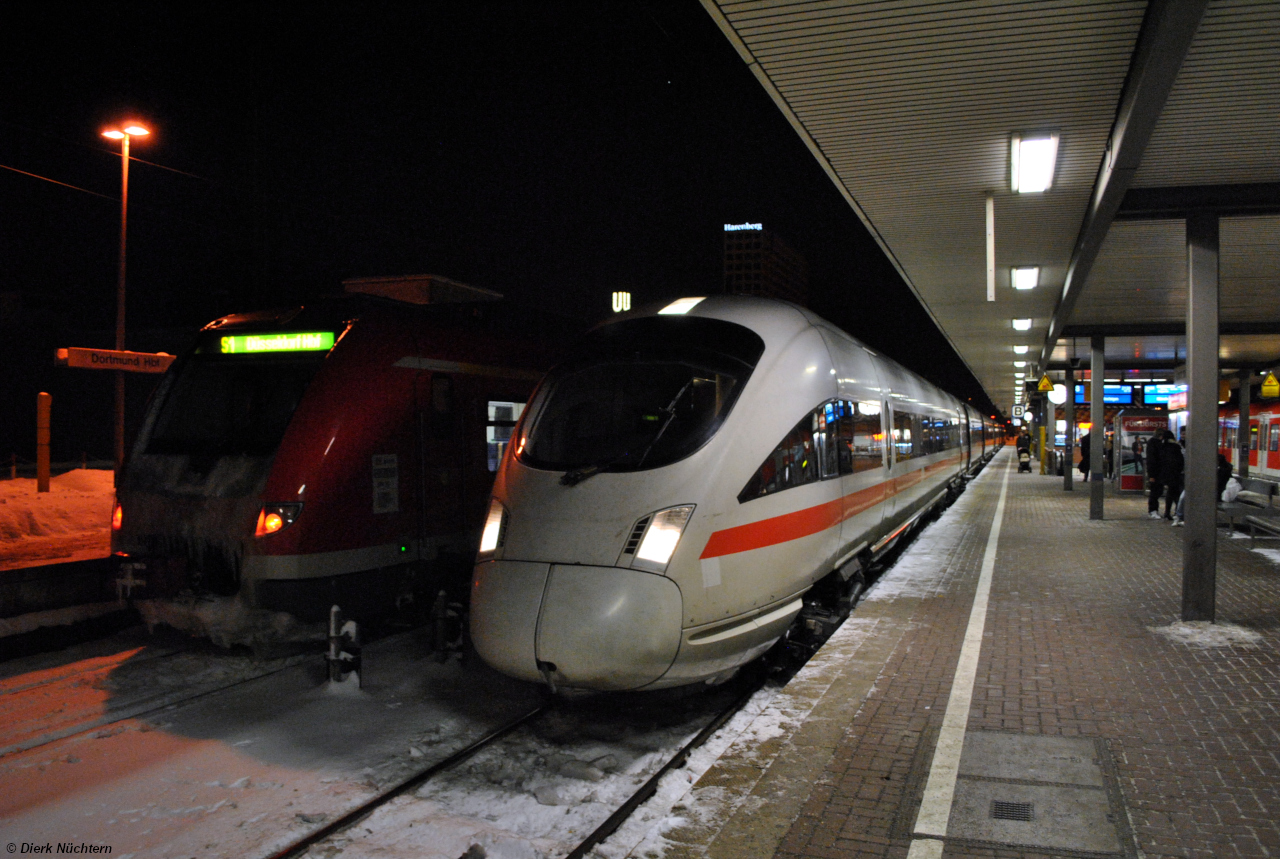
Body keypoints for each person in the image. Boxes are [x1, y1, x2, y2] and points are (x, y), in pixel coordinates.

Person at [1146, 434, 1165, 519]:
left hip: (1156, 473)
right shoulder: (1155, 446)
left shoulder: (1153, 445)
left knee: (1156, 492)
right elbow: (1151, 461)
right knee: (1155, 492)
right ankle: (1153, 510)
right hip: (1156, 473)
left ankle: (1153, 510)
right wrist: (1152, 475)